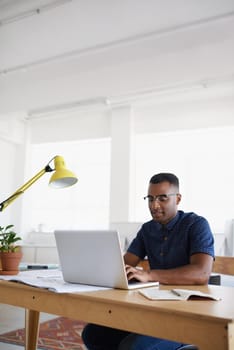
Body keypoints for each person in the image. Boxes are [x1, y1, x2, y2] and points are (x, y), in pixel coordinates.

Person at [82, 173, 214, 350]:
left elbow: (201, 274)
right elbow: (124, 265)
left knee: (134, 347)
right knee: (92, 335)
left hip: (187, 315)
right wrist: (95, 266)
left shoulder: (196, 224)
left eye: (162, 198)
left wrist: (149, 274)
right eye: (150, 199)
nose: (154, 205)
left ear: (178, 199)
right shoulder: (147, 229)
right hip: (154, 309)